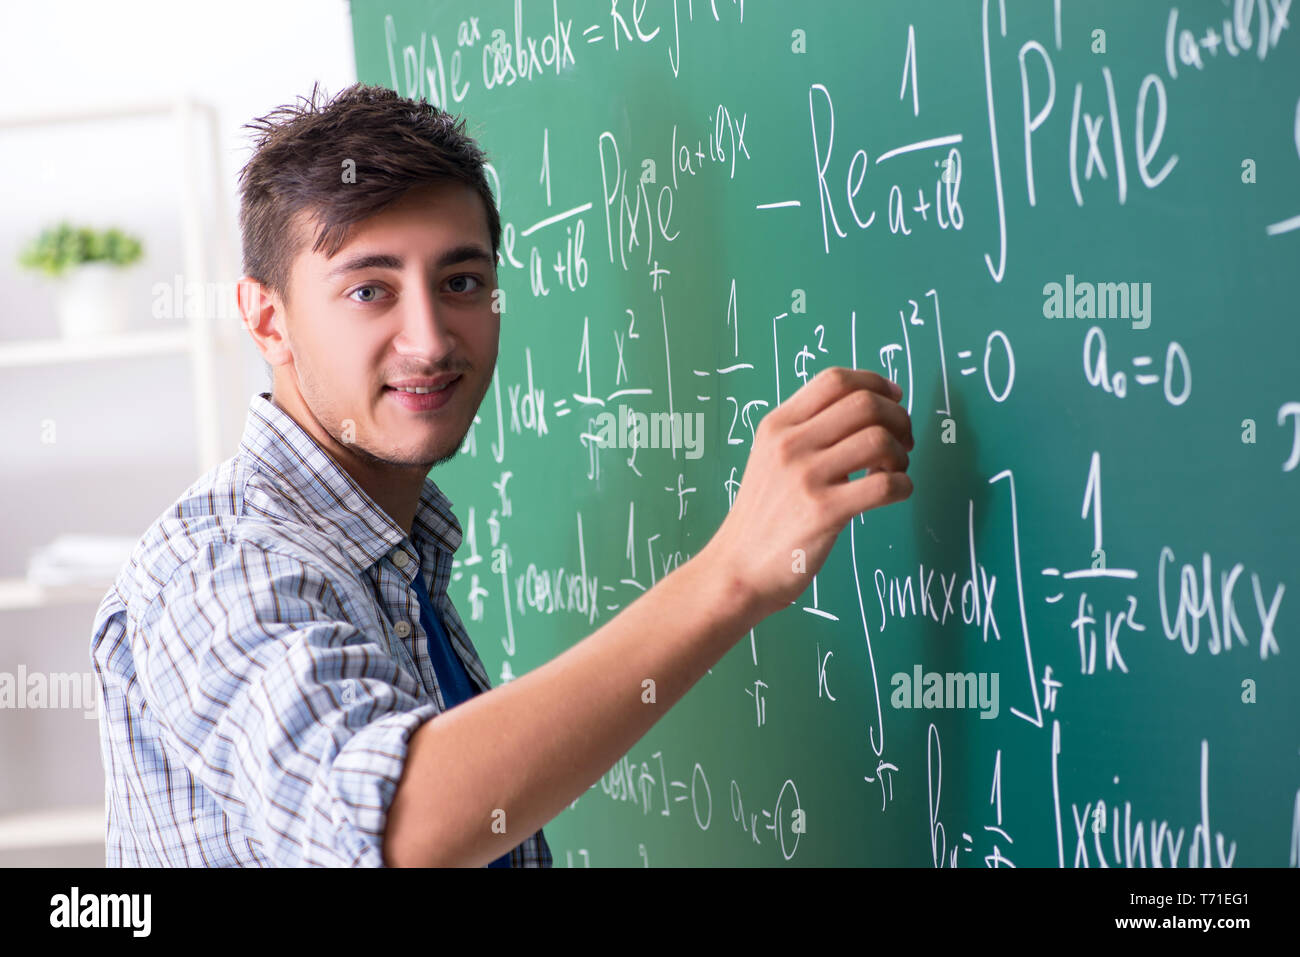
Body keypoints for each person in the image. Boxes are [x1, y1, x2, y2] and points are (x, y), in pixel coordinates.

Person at [90, 83, 914, 867]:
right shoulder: (219, 564)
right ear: (268, 319)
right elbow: (394, 827)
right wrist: (732, 572)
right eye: (371, 289)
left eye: (461, 282)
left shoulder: (394, 549)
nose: (430, 339)